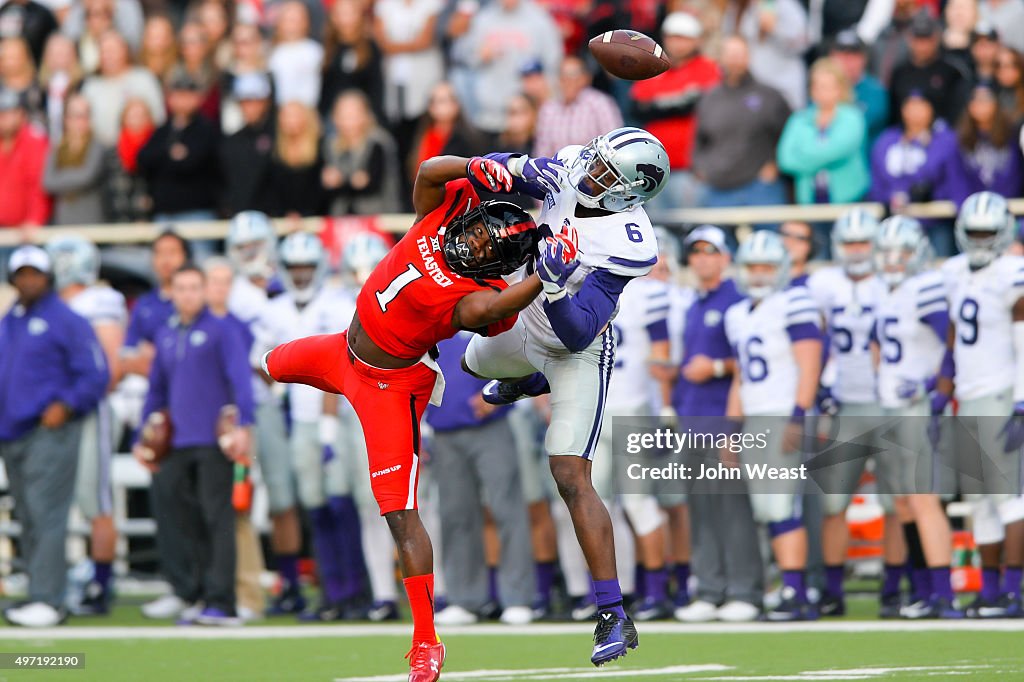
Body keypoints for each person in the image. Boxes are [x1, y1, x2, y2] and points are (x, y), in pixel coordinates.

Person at [263, 155, 543, 681]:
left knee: (398, 514)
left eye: (490, 250)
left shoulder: (476, 296)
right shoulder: (442, 211)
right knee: (269, 364)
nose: (477, 244)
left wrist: (546, 278)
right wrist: (480, 164)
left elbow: (487, 312)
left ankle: (425, 641)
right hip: (340, 352)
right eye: (482, 232)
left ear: (496, 268)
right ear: (473, 214)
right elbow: (431, 171)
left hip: (389, 387)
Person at [465, 126, 671, 663]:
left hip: (576, 347)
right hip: (526, 317)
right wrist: (495, 168)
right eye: (595, 162)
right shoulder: (574, 167)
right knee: (468, 360)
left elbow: (580, 330)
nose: (591, 173)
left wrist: (556, 285)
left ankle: (612, 614)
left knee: (568, 473)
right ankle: (530, 378)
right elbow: (515, 169)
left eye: (606, 173)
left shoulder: (631, 242)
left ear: (630, 192)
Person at [256, 232, 370, 622]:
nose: (301, 274)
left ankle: (355, 591)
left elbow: (343, 362)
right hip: (300, 419)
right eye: (294, 267)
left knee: (343, 503)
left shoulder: (338, 303)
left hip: (335, 417)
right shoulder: (274, 309)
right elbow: (263, 359)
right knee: (316, 506)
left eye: (306, 266)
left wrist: (325, 425)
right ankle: (330, 593)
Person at [135, 264, 255, 626]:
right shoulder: (166, 333)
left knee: (216, 519)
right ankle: (195, 592)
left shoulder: (221, 331)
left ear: (204, 291)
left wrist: (244, 426)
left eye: (194, 287)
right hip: (177, 442)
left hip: (212, 441)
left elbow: (240, 379)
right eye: (181, 287)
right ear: (171, 292)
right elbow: (156, 389)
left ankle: (223, 601)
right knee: (181, 520)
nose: (187, 294)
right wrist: (143, 434)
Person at [0, 245, 108, 627]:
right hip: (11, 432)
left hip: (50, 431)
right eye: (22, 273)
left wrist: (67, 403)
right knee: (27, 514)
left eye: (35, 273)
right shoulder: (10, 318)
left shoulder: (66, 319)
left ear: (48, 277)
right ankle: (37, 591)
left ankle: (50, 598)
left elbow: (95, 373)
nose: (28, 280)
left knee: (47, 513)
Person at [723, 230, 822, 621]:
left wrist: (799, 415)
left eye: (766, 266)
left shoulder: (795, 302)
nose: (759, 274)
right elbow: (741, 378)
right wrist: (731, 433)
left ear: (781, 268)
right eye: (752, 266)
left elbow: (809, 363)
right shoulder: (737, 313)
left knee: (784, 507)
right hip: (754, 417)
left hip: (783, 413)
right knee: (767, 509)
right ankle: (788, 588)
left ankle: (797, 593)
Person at [870, 216, 961, 621]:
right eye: (887, 252)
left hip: (916, 407)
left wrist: (938, 388)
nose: (893, 260)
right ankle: (923, 591)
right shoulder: (889, 291)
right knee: (904, 504)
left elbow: (953, 342)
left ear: (918, 252)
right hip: (891, 406)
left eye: (902, 252)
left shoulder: (926, 287)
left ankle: (944, 594)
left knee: (924, 500)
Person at [671, 225, 762, 624]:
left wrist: (718, 369)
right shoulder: (694, 302)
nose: (702, 259)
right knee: (702, 508)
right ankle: (709, 588)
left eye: (711, 252)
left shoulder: (737, 303)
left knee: (732, 508)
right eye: (696, 253)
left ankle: (744, 589)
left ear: (725, 258)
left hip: (722, 419)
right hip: (692, 418)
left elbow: (750, 364)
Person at [939, 191, 1024, 619]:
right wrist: (944, 389)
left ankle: (1014, 590)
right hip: (968, 395)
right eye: (973, 232)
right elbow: (953, 335)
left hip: (1001, 393)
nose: (979, 240)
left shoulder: (1014, 273)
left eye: (987, 233)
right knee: (979, 501)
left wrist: (1022, 403)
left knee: (1010, 497)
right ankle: (989, 590)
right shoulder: (953, 272)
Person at [806, 210, 895, 618]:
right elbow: (813, 338)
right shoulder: (823, 285)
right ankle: (833, 590)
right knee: (833, 504)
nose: (858, 251)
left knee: (897, 503)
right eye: (850, 242)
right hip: (842, 404)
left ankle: (894, 590)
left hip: (889, 404)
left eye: (864, 242)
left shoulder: (892, 283)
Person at [426, 331, 535, 626]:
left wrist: (501, 394)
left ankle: (518, 597)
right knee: (455, 516)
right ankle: (465, 598)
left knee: (507, 510)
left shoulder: (489, 308)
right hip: (443, 431)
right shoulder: (434, 317)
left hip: (491, 427)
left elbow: (520, 355)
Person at [45, 236, 125, 617]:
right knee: (59, 501)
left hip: (89, 410)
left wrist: (74, 401)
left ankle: (101, 584)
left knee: (96, 501)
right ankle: (64, 578)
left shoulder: (99, 300)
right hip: (54, 414)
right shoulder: (51, 305)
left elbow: (109, 366)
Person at [692, 36, 790, 236]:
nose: (735, 60)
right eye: (730, 54)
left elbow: (790, 134)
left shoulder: (769, 96)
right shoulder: (709, 98)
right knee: (717, 249)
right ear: (721, 58)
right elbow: (699, 140)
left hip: (760, 186)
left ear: (748, 57)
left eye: (740, 54)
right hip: (718, 188)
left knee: (768, 247)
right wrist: (701, 169)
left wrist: (775, 163)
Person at [631, 11, 721, 213]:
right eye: (672, 37)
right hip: (654, 170)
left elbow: (699, 104)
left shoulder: (708, 68)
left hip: (691, 168)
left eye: (683, 38)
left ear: (696, 40)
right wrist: (680, 101)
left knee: (692, 226)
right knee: (659, 231)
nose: (676, 43)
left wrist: (660, 105)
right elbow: (638, 108)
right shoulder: (653, 67)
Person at [777, 57, 870, 209]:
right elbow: (786, 160)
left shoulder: (853, 117)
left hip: (848, 201)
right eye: (819, 86)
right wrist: (823, 157)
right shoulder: (799, 120)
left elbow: (837, 151)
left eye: (828, 86)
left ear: (840, 89)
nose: (823, 92)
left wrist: (805, 156)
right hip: (809, 202)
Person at [460, 0, 561, 135]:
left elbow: (553, 61)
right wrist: (479, 55)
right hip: (490, 114)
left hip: (527, 116)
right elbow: (462, 55)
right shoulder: (484, 18)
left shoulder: (539, 19)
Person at [136, 69, 221, 223]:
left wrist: (166, 158)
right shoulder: (163, 130)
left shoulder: (207, 130)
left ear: (198, 98)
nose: (182, 100)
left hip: (198, 213)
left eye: (187, 95)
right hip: (164, 212)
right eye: (177, 94)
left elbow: (192, 163)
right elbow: (143, 159)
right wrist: (170, 153)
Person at [322, 89, 402, 215]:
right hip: (340, 218)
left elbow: (372, 184)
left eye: (352, 116)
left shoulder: (379, 142)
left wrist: (340, 181)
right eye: (342, 116)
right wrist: (352, 181)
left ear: (365, 115)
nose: (347, 122)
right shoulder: (330, 145)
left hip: (377, 217)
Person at [80, 31, 164, 148]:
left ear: (125, 50)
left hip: (140, 149)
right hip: (100, 153)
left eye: (112, 50)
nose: (107, 56)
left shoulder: (143, 78)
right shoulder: (90, 86)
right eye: (103, 51)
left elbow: (159, 117)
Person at [722, 0, 809, 111]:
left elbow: (803, 44)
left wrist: (775, 28)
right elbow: (728, 39)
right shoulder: (737, 6)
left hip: (782, 86)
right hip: (751, 87)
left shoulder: (783, 4)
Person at [889, 11, 971, 128]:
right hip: (905, 139)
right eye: (918, 39)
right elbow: (893, 115)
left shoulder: (951, 71)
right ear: (909, 39)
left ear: (936, 39)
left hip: (942, 136)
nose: (922, 46)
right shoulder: (899, 72)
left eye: (927, 39)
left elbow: (959, 115)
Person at [532, 55, 622, 160]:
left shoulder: (600, 103)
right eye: (562, 75)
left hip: (594, 169)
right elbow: (542, 151)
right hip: (557, 171)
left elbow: (613, 143)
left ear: (585, 78)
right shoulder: (549, 109)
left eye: (572, 75)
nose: (567, 81)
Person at [949, 83, 1024, 203]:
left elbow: (1015, 176)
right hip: (971, 209)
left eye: (986, 99)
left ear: (996, 103)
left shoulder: (1012, 135)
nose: (980, 104)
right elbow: (957, 180)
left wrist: (999, 204)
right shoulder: (959, 138)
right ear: (969, 106)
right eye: (976, 99)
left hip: (1008, 205)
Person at [43, 93, 107, 225]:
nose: (81, 121)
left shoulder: (97, 146)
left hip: (91, 220)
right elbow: (47, 181)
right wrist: (75, 177)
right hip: (63, 219)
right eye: (76, 116)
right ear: (66, 119)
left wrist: (60, 177)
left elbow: (86, 177)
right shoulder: (58, 147)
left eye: (85, 116)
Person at [219, 72, 276, 216]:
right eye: (244, 101)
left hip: (271, 219)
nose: (249, 107)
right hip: (238, 220)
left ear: (266, 102)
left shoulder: (278, 137)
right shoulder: (231, 141)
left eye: (255, 100)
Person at [319, 0, 384, 123]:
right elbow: (325, 89)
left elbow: (376, 87)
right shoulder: (328, 48)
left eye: (349, 13)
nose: (346, 19)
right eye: (341, 13)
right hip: (333, 118)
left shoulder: (370, 48)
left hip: (363, 118)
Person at [830, 29, 890, 149]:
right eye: (842, 56)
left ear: (864, 59)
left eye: (853, 56)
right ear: (832, 57)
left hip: (863, 160)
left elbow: (854, 130)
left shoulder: (876, 91)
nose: (847, 62)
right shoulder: (821, 88)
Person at [0, 87, 49, 228]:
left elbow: (39, 186)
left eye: (8, 113)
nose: (3, 119)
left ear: (21, 114)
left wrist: (35, 219)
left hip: (24, 231)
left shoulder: (34, 141)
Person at [267, 101, 326, 217]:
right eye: (286, 116)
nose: (290, 121)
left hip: (314, 218)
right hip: (283, 221)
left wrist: (304, 214)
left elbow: (319, 191)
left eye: (295, 116)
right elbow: (272, 192)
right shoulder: (274, 152)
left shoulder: (321, 149)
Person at [268, 1, 322, 109]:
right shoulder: (272, 53)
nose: (293, 25)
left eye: (297, 20)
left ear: (306, 22)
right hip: (281, 112)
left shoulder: (315, 51)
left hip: (309, 111)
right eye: (289, 20)